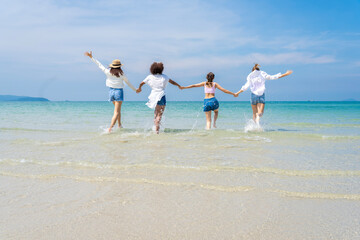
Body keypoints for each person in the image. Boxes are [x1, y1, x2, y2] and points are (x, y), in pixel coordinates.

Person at [84, 51, 137, 132]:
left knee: (118, 110)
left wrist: (91, 57)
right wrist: (136, 90)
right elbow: (128, 83)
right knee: (116, 112)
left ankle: (119, 125)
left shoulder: (108, 72)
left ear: (112, 66)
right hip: (119, 92)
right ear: (119, 67)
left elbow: (99, 65)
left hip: (111, 92)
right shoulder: (121, 74)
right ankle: (110, 129)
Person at [136, 62, 182, 134]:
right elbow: (172, 82)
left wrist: (139, 89)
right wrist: (179, 85)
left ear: (152, 69)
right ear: (161, 69)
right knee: (159, 115)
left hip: (153, 97)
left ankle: (155, 129)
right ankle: (157, 132)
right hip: (161, 96)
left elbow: (141, 83)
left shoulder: (150, 77)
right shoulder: (164, 77)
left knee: (155, 113)